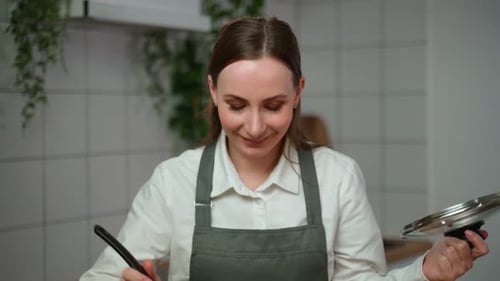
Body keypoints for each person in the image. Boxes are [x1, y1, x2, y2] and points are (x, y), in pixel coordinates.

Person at [79, 16, 489, 281]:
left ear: (297, 93)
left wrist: (426, 271)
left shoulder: (337, 176)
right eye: (236, 106)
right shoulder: (175, 181)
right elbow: (100, 278)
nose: (255, 127)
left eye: (273, 106)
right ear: (212, 92)